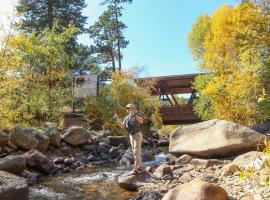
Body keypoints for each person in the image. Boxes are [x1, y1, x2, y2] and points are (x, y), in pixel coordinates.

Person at [114, 103, 144, 175]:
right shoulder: (126, 118)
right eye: (127, 108)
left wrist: (134, 115)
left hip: (137, 135)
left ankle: (135, 168)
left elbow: (141, 121)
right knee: (135, 152)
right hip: (131, 136)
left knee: (136, 152)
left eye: (130, 108)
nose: (128, 109)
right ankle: (139, 166)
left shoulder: (136, 115)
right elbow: (122, 126)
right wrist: (117, 119)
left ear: (133, 109)